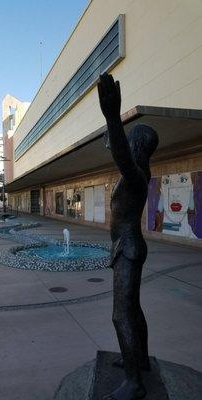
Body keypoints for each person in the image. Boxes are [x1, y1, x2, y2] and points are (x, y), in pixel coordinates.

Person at [98, 73, 159, 400]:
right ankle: (141, 362)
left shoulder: (136, 175)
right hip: (128, 246)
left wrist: (111, 117)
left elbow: (121, 156)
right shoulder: (139, 175)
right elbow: (117, 149)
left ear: (138, 146)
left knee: (120, 314)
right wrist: (112, 130)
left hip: (129, 249)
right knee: (133, 309)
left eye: (131, 138)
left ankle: (134, 384)